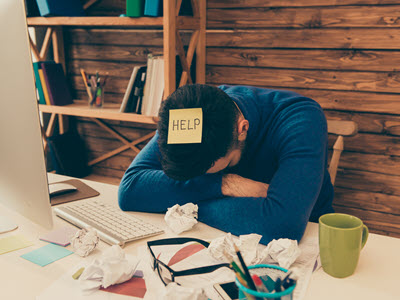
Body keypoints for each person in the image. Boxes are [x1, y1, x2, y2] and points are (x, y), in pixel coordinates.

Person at [118, 84, 334, 244]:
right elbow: (130, 190)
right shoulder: (192, 110)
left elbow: (281, 225)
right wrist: (224, 184)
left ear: (242, 130)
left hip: (303, 245)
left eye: (208, 171)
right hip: (215, 235)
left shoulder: (301, 119)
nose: (200, 177)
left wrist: (184, 206)